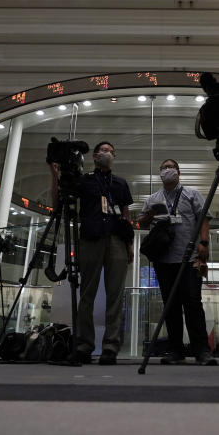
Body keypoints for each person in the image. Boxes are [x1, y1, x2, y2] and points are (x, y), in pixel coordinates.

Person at [50, 140, 133, 365]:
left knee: (115, 296)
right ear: (95, 156)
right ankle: (84, 345)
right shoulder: (84, 181)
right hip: (90, 239)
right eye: (104, 150)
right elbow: (58, 201)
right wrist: (54, 174)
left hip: (116, 239)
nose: (108, 153)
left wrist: (130, 244)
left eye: (111, 151)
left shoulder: (120, 183)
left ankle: (110, 347)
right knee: (87, 294)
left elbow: (125, 214)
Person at [138, 158, 215, 366]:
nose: (167, 170)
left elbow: (203, 218)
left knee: (192, 304)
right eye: (164, 168)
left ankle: (202, 350)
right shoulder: (154, 197)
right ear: (160, 173)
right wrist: (150, 213)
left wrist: (204, 243)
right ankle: (176, 350)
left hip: (189, 258)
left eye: (171, 167)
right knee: (170, 306)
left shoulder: (191, 194)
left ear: (178, 172)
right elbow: (142, 222)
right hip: (164, 261)